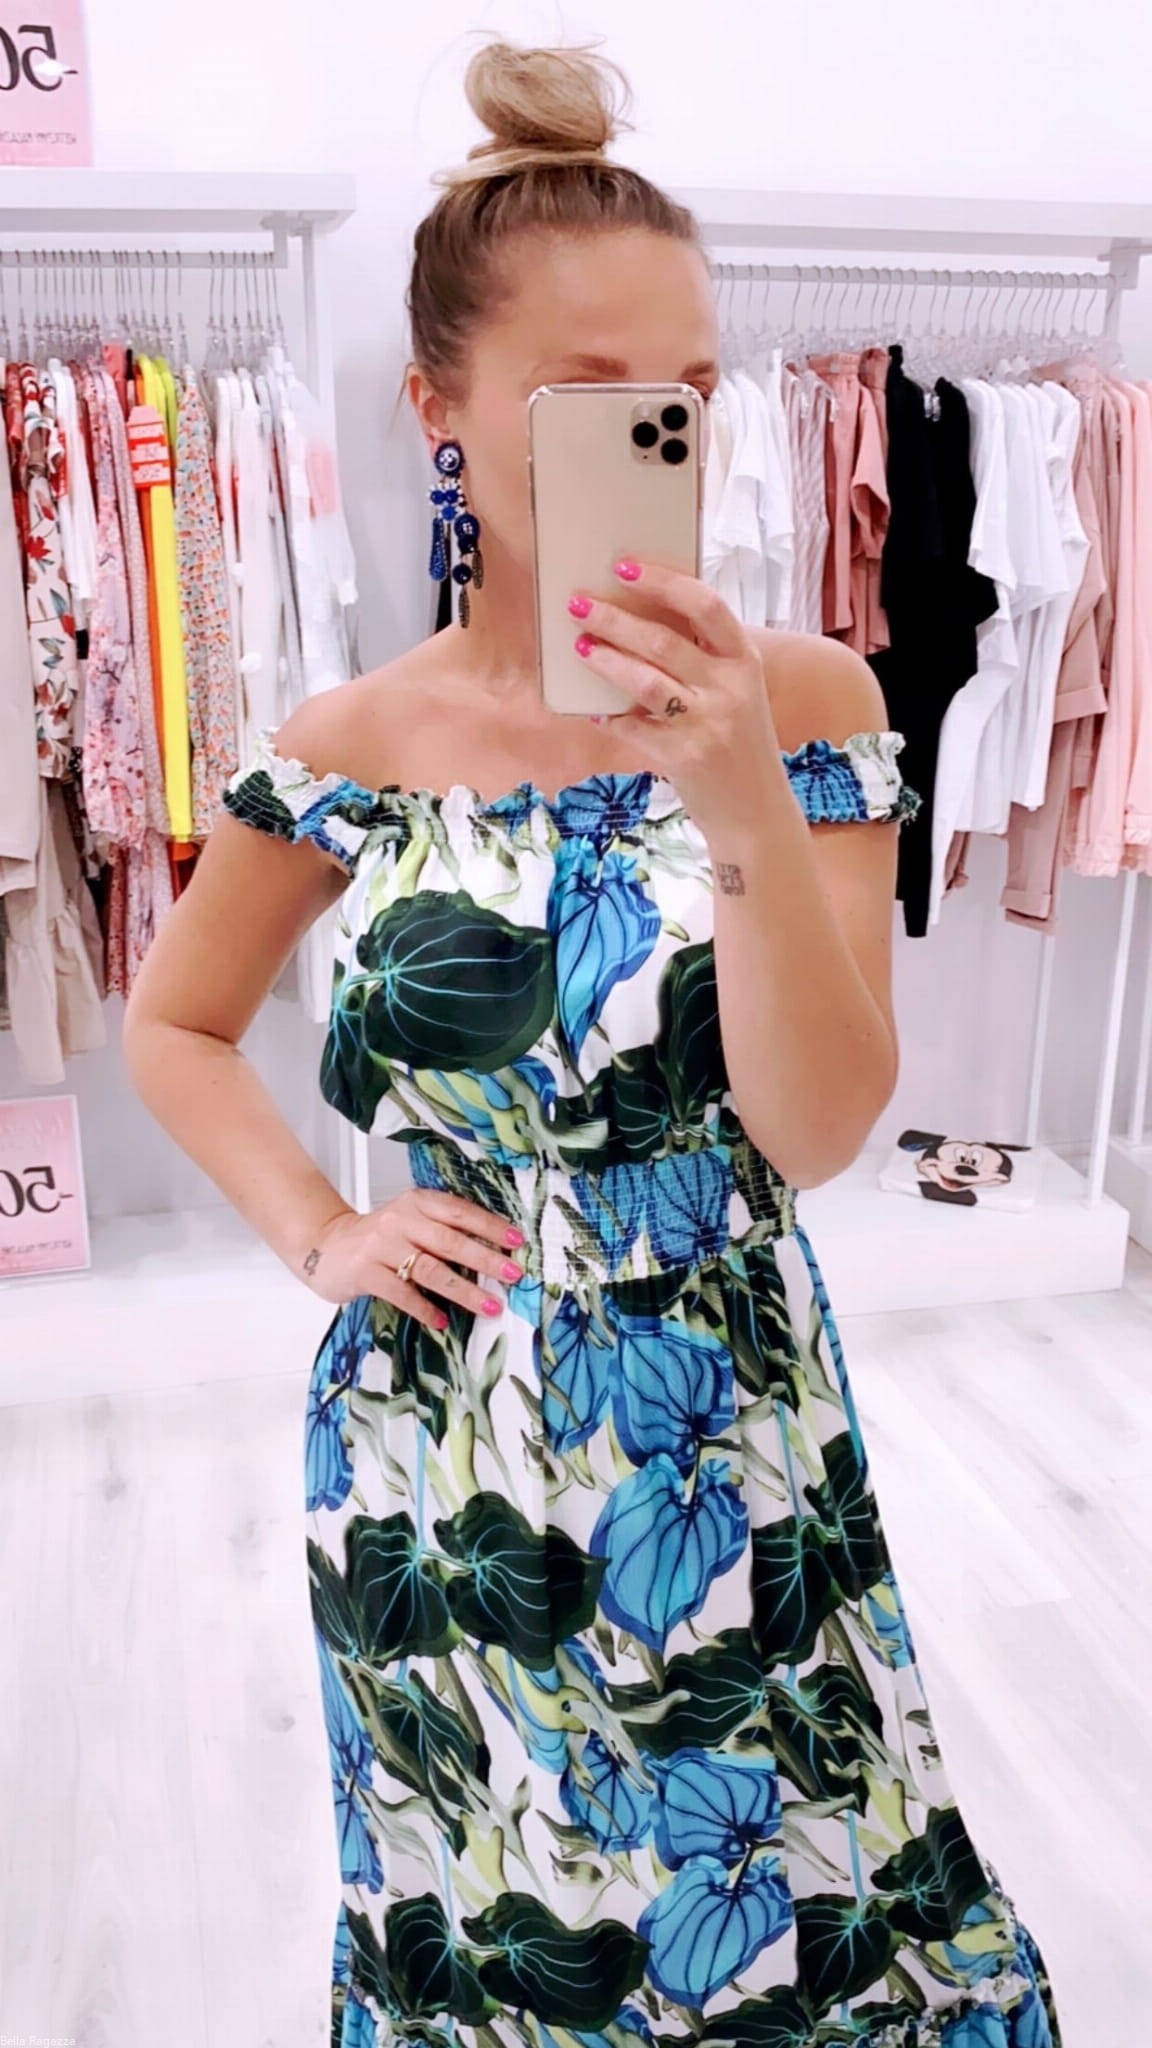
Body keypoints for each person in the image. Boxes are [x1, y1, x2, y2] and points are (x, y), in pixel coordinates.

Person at [123, 38, 1062, 2048]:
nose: (662, 435)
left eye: (690, 392)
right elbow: (178, 1021)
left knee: (782, 1909)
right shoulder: (354, 742)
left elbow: (817, 1127)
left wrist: (739, 801)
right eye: (590, 393)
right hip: (437, 1434)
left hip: (724, 1409)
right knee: (498, 1914)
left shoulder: (805, 699)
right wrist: (322, 1232)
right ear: (439, 408)